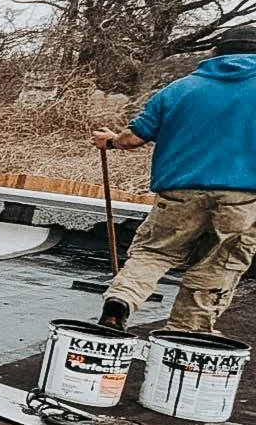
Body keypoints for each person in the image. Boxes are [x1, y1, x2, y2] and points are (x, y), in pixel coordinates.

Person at [95, 25, 256, 333]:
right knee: (220, 261)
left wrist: (111, 141)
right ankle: (185, 332)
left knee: (154, 252)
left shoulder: (180, 88)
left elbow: (134, 138)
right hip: (244, 199)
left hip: (178, 193)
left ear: (214, 54)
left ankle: (120, 301)